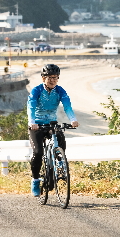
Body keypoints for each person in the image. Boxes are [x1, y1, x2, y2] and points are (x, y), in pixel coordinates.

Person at [27, 64, 79, 197]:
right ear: (43, 78)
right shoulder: (36, 90)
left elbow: (67, 106)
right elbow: (31, 107)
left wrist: (73, 119)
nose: (53, 80)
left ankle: (59, 161)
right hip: (37, 125)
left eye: (55, 78)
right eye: (50, 77)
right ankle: (35, 180)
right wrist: (32, 122)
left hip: (51, 123)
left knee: (60, 137)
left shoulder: (60, 91)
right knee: (38, 152)